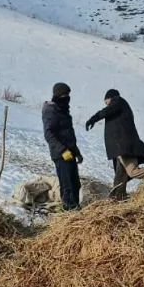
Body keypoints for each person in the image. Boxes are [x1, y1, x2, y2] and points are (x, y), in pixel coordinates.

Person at [85, 88, 144, 201]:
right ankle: (117, 199)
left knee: (132, 172)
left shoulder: (118, 101)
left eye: (106, 102)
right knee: (120, 176)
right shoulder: (119, 108)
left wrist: (93, 119)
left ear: (110, 97)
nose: (106, 105)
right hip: (120, 148)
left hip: (124, 146)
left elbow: (106, 111)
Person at [42, 82, 82, 211]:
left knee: (75, 183)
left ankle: (75, 208)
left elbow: (69, 134)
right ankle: (69, 211)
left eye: (68, 94)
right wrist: (62, 150)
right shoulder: (51, 110)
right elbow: (49, 134)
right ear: (58, 95)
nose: (67, 97)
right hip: (60, 154)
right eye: (65, 94)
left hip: (70, 152)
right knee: (67, 185)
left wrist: (77, 152)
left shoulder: (63, 111)